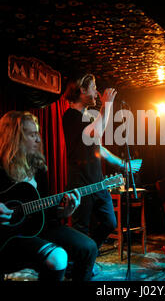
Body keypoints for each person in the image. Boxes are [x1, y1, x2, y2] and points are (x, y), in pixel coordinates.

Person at [0, 111, 98, 281]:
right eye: (32, 135)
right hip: (3, 237)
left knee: (89, 247)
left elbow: (42, 210)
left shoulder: (38, 168)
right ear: (14, 137)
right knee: (57, 257)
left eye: (38, 134)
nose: (38, 140)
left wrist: (62, 213)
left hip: (37, 228)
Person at [62, 73, 142, 251]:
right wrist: (106, 105)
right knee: (80, 229)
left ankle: (90, 254)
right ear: (82, 90)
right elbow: (96, 133)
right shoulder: (70, 116)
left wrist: (123, 164)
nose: (97, 92)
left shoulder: (88, 118)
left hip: (97, 181)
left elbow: (99, 148)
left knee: (109, 222)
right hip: (80, 183)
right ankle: (79, 267)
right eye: (93, 87)